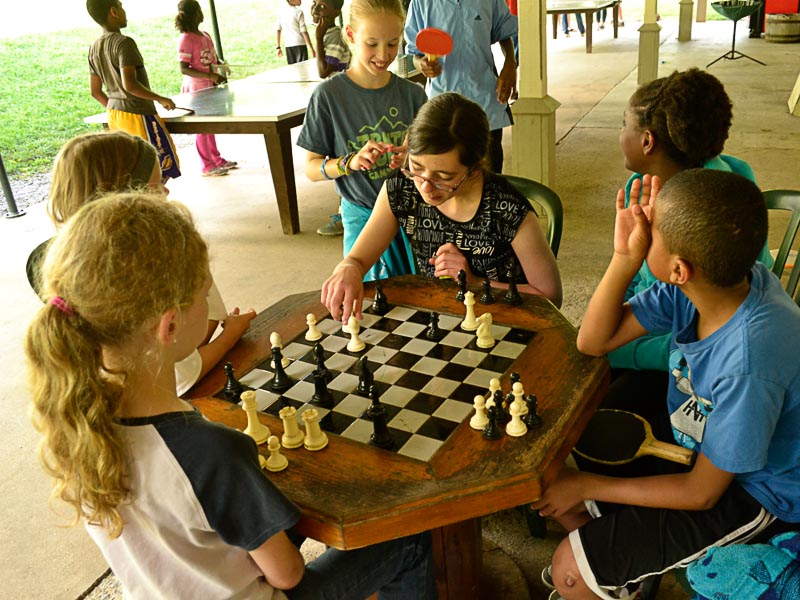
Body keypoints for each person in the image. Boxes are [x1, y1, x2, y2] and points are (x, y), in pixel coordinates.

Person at [25, 193, 435, 600]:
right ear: (169, 327)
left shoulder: (76, 421)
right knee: (408, 540)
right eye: (205, 295)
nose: (210, 303)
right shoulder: (210, 452)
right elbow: (287, 575)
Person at [533, 170, 800, 600]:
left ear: (679, 268)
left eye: (651, 230)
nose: (642, 229)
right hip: (699, 443)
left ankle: (595, 574)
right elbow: (593, 340)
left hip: (762, 493)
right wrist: (624, 258)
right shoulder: (705, 285)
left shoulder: (750, 361)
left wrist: (587, 486)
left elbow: (701, 493)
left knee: (570, 569)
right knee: (557, 476)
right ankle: (623, 576)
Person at [29, 130, 254, 396]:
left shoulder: (57, 258)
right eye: (157, 185)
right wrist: (231, 336)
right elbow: (179, 372)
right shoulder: (154, 263)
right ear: (127, 199)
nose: (167, 191)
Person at [321, 92, 562, 323]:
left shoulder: (507, 209)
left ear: (476, 167)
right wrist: (349, 267)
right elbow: (358, 259)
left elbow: (551, 296)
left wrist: (475, 282)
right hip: (440, 318)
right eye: (415, 167)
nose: (425, 186)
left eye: (443, 177)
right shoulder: (402, 189)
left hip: (504, 322)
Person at [608, 68, 772, 392]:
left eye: (623, 125)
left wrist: (619, 348)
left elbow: (709, 332)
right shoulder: (637, 188)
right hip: (645, 331)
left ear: (646, 141)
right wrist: (611, 321)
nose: (619, 134)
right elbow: (627, 277)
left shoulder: (716, 207)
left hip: (695, 368)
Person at [297, 0, 427, 268]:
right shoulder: (328, 97)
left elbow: (433, 161)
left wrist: (412, 159)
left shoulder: (414, 95)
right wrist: (349, 162)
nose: (383, 54)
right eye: (372, 43)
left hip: (412, 215)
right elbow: (311, 168)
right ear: (350, 36)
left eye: (392, 43)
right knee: (369, 301)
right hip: (362, 217)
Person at [404, 0, 518, 174]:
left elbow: (503, 32)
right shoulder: (421, 3)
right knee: (446, 173)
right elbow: (415, 52)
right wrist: (422, 64)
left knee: (490, 174)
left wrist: (510, 62)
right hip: (443, 107)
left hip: (486, 100)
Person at [86, 0, 181, 182]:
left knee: (134, 169)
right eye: (121, 7)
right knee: (158, 167)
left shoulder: (93, 48)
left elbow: (95, 91)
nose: (124, 11)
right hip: (138, 115)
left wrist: (116, 105)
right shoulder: (124, 43)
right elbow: (130, 85)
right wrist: (161, 99)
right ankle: (149, 207)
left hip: (115, 116)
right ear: (113, 11)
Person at [175, 0, 238, 177]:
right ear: (195, 14)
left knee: (210, 125)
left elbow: (213, 59)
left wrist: (221, 67)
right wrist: (211, 76)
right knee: (202, 128)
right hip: (197, 89)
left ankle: (216, 159)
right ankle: (207, 165)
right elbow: (184, 68)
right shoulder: (186, 39)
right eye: (199, 10)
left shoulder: (205, 35)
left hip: (209, 86)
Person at [311, 0, 351, 79]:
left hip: (338, 89)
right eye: (314, 3)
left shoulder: (336, 37)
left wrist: (318, 38)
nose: (315, 9)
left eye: (322, 6)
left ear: (336, 13)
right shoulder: (328, 33)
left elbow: (323, 72)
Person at [277, 0, 316, 64]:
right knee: (303, 68)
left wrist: (278, 47)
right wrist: (311, 49)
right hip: (300, 44)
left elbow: (278, 29)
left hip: (288, 45)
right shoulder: (298, 12)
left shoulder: (281, 13)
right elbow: (303, 31)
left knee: (293, 69)